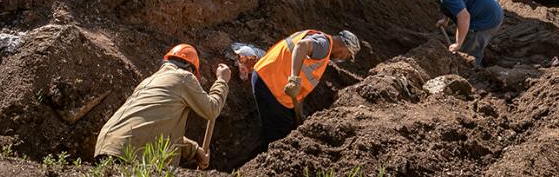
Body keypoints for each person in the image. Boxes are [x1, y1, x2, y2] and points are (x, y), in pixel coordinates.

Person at [93, 44, 230, 169]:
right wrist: (222, 81)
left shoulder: (150, 81)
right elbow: (212, 109)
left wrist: (194, 150)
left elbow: (156, 128)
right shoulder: (184, 78)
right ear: (190, 69)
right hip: (130, 152)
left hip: (108, 147)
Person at [250, 29, 361, 145]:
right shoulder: (323, 46)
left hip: (271, 79)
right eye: (348, 56)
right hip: (270, 82)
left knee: (289, 126)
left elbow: (302, 85)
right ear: (345, 49)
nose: (343, 59)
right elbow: (301, 46)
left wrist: (299, 112)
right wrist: (293, 79)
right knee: (280, 135)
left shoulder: (321, 44)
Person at [411, 0, 503, 68]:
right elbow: (452, 4)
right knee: (465, 38)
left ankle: (474, 73)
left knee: (468, 52)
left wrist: (458, 44)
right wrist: (445, 20)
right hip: (486, 8)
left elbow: (464, 17)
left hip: (488, 18)